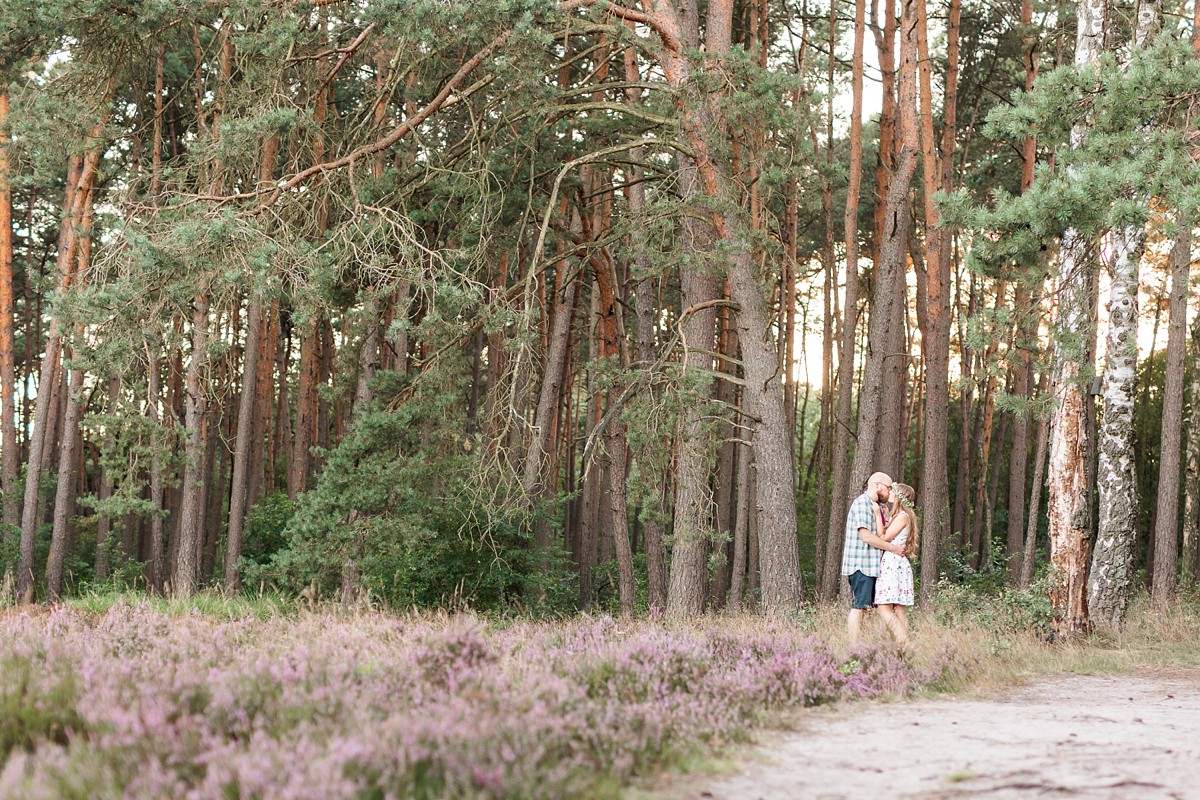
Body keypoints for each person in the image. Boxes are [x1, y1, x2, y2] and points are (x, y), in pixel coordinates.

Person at [840, 472, 907, 642]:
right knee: (860, 607)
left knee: (868, 608)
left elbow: (883, 533)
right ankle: (854, 646)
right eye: (888, 487)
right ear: (877, 485)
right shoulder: (862, 504)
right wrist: (894, 548)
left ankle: (865, 644)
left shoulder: (877, 507)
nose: (889, 491)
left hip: (873, 566)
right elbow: (867, 537)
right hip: (861, 564)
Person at [874, 482, 919, 648]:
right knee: (898, 610)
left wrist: (878, 516)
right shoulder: (901, 515)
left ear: (900, 496)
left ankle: (905, 643)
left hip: (893, 564)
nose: (890, 492)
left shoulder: (902, 516)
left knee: (884, 608)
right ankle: (902, 648)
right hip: (897, 563)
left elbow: (884, 538)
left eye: (893, 490)